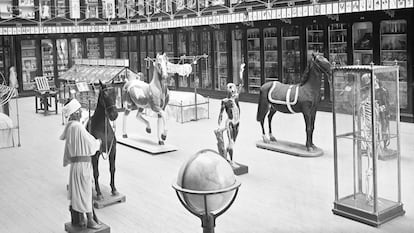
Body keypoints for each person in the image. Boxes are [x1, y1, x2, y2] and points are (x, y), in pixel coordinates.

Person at [60, 99, 102, 229]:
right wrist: (98, 142)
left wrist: (67, 160)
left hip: (75, 166)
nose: (80, 113)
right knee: (86, 192)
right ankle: (90, 220)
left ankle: (79, 219)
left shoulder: (70, 127)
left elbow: (67, 148)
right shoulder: (77, 127)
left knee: (79, 193)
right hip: (83, 165)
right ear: (74, 113)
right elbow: (90, 143)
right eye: (78, 111)